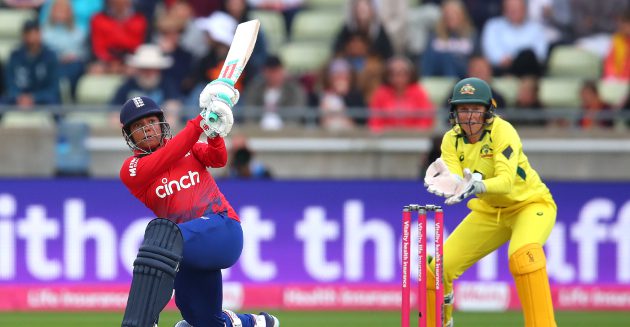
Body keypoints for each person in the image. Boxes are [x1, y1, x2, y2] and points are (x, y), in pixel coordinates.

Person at [118, 79, 279, 326]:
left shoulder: (188, 149)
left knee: (159, 236)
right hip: (187, 250)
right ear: (129, 136)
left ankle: (140, 321)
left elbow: (218, 158)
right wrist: (201, 121)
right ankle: (255, 323)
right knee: (201, 320)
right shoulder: (132, 169)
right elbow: (166, 157)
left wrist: (214, 131)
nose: (147, 129)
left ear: (161, 123)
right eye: (139, 126)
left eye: (151, 121)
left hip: (222, 230)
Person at [423, 77, 557, 326]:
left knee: (523, 256)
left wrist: (477, 185)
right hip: (489, 211)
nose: (470, 116)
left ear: (488, 110)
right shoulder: (450, 140)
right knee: (436, 270)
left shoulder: (502, 130)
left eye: (475, 109)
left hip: (530, 205)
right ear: (454, 112)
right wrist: (451, 184)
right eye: (464, 109)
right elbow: (455, 179)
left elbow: (506, 181)